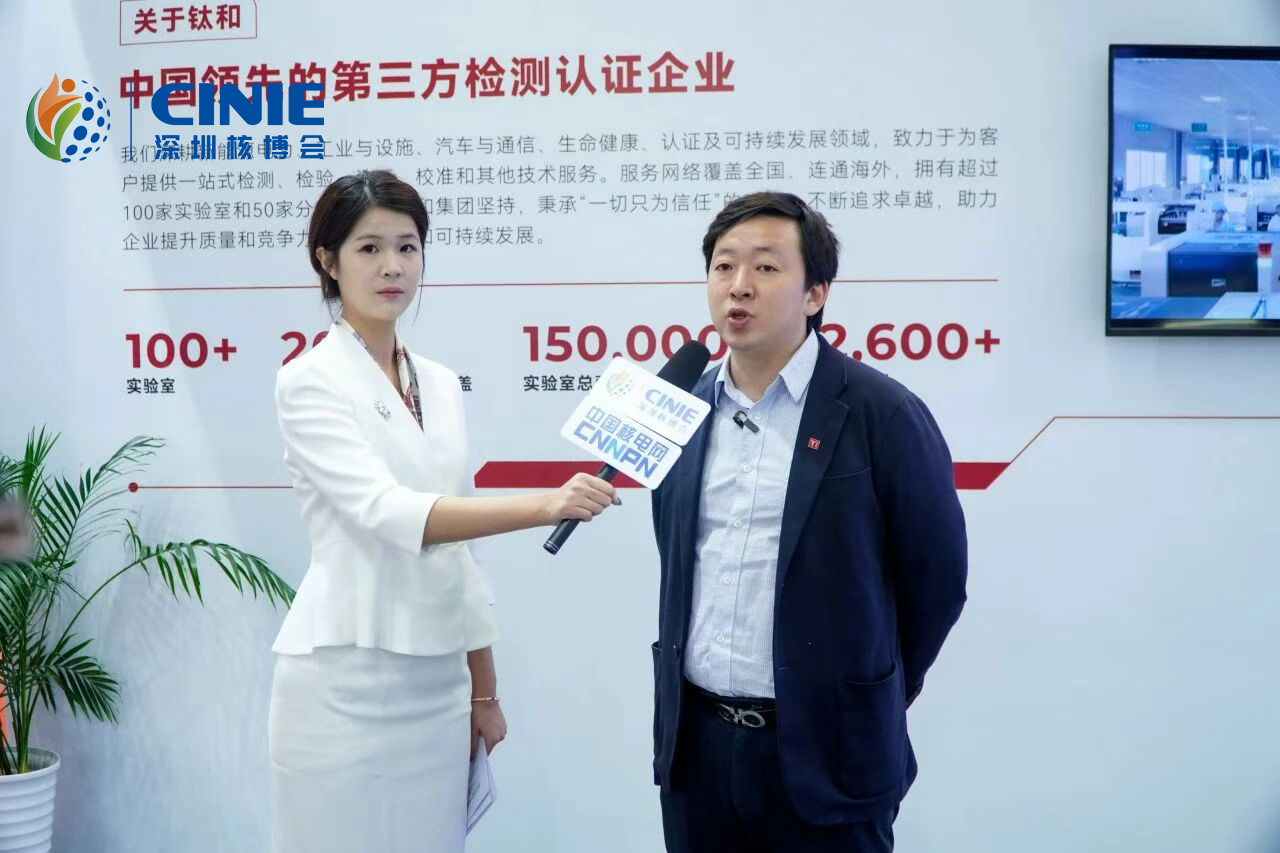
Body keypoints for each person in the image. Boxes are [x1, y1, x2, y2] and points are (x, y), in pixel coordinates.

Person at [268, 169, 617, 853]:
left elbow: (461, 554)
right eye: (370, 248)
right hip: (344, 681)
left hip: (438, 686)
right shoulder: (308, 380)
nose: (393, 266)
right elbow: (388, 511)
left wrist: (482, 689)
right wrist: (546, 504)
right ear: (328, 261)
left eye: (408, 247)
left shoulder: (441, 382)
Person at [649, 191, 967, 852]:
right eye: (723, 266)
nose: (738, 285)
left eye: (766, 267)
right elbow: (676, 553)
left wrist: (869, 685)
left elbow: (936, 580)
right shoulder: (679, 407)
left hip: (829, 754)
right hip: (698, 750)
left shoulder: (881, 412)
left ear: (816, 293)